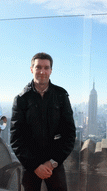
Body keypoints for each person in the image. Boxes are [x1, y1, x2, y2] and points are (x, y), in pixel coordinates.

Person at [10, 52, 76, 191]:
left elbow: (69, 134)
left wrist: (52, 163)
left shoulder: (61, 96)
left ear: (51, 71)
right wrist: (35, 166)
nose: (42, 71)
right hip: (30, 166)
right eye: (38, 67)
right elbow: (16, 138)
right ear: (31, 69)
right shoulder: (21, 99)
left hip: (54, 164)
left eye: (46, 68)